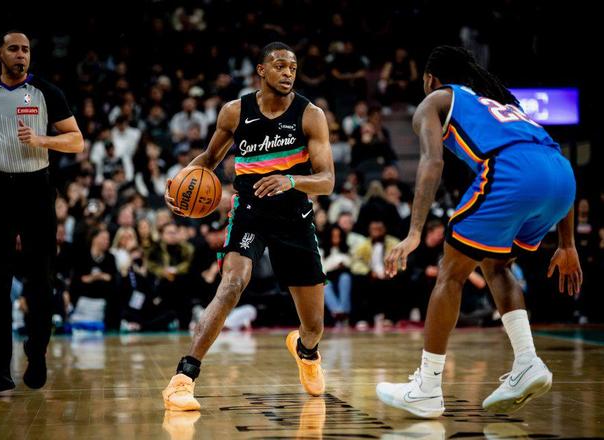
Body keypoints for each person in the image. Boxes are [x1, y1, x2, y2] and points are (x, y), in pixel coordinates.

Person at [376, 46, 581, 418]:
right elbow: (553, 157)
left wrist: (415, 232)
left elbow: (432, 162)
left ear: (429, 78)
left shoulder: (436, 99)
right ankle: (527, 362)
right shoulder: (503, 106)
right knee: (495, 265)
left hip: (514, 171)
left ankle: (427, 388)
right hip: (561, 176)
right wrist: (567, 244)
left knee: (450, 273)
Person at [162, 42, 335, 411]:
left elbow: (327, 180)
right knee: (231, 284)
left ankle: (306, 352)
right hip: (250, 211)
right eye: (280, 65)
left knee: (314, 326)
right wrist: (178, 181)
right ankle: (183, 379)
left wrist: (291, 180)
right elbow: (208, 159)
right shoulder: (235, 112)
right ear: (261, 70)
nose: (288, 73)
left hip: (294, 216)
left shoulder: (311, 115)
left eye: (293, 67)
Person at [0, 30, 83, 391]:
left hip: (36, 189)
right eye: (13, 48)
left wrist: (42, 139)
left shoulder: (47, 92)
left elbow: (76, 140)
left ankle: (37, 352)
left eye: (25, 49)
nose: (21, 54)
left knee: (41, 280)